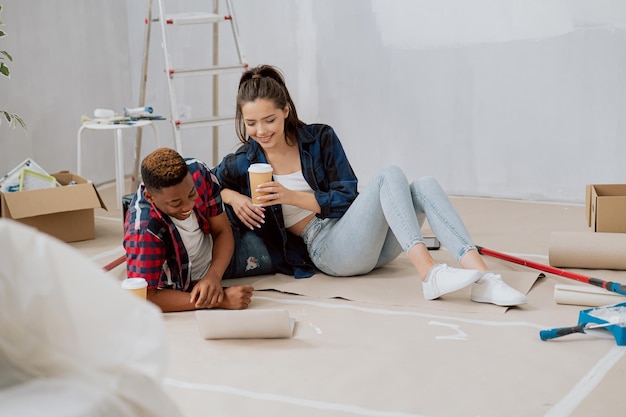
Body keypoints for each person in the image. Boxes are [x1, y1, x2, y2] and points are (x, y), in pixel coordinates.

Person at [214, 65, 527, 307]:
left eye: (268, 120)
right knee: (390, 173)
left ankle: (484, 279)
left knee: (424, 185)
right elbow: (205, 179)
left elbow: (348, 196)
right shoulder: (243, 160)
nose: (260, 131)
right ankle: (429, 272)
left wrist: (291, 196)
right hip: (326, 247)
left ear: (285, 111)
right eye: (251, 123)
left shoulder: (319, 138)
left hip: (358, 235)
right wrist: (232, 196)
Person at [123, 147, 275, 313]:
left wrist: (213, 276)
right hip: (191, 279)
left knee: (280, 232)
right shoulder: (143, 231)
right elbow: (145, 297)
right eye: (175, 203)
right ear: (150, 197)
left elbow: (222, 230)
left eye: (191, 194)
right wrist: (219, 300)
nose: (188, 206)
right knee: (283, 254)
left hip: (219, 252)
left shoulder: (197, 172)